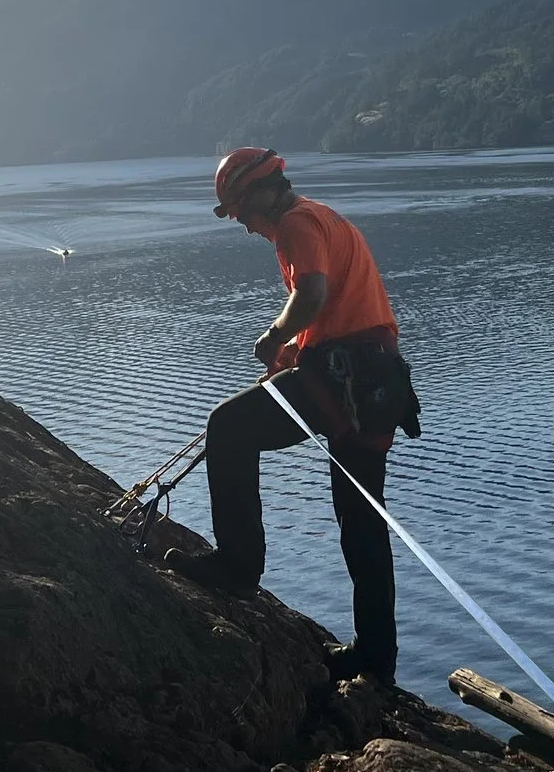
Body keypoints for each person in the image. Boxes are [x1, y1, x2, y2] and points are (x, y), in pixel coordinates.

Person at [168, 147, 420, 684]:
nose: (243, 224)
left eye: (240, 210)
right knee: (363, 527)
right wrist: (293, 354)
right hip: (378, 381)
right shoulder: (323, 217)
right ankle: (377, 658)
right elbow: (337, 312)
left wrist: (273, 338)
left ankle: (237, 567)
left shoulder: (295, 224)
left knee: (228, 427)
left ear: (263, 192)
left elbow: (313, 295)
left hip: (349, 376)